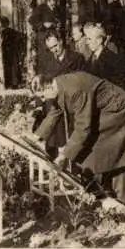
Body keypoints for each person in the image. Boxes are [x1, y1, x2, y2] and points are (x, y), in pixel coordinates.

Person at [30, 71, 125, 205]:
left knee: (105, 150)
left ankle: (121, 197)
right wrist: (36, 136)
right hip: (104, 110)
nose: (43, 100)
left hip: (116, 108)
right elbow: (55, 112)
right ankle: (105, 190)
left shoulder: (74, 89)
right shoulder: (58, 85)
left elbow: (83, 128)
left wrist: (64, 155)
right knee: (100, 151)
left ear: (48, 87)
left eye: (42, 96)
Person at [33, 31, 86, 159]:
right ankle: (55, 168)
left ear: (61, 41)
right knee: (54, 140)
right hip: (53, 105)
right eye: (50, 48)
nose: (54, 50)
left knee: (72, 140)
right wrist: (39, 104)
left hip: (71, 106)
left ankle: (74, 167)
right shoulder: (46, 61)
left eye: (56, 46)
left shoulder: (76, 58)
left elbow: (82, 81)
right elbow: (40, 83)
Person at [83, 23, 125, 90]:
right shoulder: (90, 59)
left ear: (99, 40)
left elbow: (119, 87)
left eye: (89, 39)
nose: (87, 42)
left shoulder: (113, 59)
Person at [29, 0, 61, 75]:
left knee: (53, 55)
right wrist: (43, 25)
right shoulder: (41, 8)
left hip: (53, 36)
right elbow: (31, 20)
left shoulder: (56, 9)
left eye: (55, 2)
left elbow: (58, 19)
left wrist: (57, 24)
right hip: (43, 36)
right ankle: (42, 76)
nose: (54, 5)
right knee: (43, 56)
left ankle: (52, 76)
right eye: (52, 2)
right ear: (49, 0)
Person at [1, 16, 24, 89]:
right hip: (5, 53)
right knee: (8, 68)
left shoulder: (11, 31)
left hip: (11, 52)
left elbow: (20, 37)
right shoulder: (0, 32)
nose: (4, 25)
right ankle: (10, 83)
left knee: (13, 68)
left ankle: (14, 84)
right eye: (3, 23)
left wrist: (14, 46)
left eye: (5, 23)